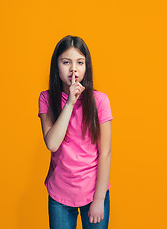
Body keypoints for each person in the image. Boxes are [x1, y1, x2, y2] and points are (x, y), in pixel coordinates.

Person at [38, 35, 113, 229]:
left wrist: (99, 199)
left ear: (86, 66)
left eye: (80, 62)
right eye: (66, 62)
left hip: (93, 193)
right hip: (60, 195)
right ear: (57, 66)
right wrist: (70, 102)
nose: (73, 69)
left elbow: (105, 153)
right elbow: (52, 144)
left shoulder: (100, 101)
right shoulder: (46, 99)